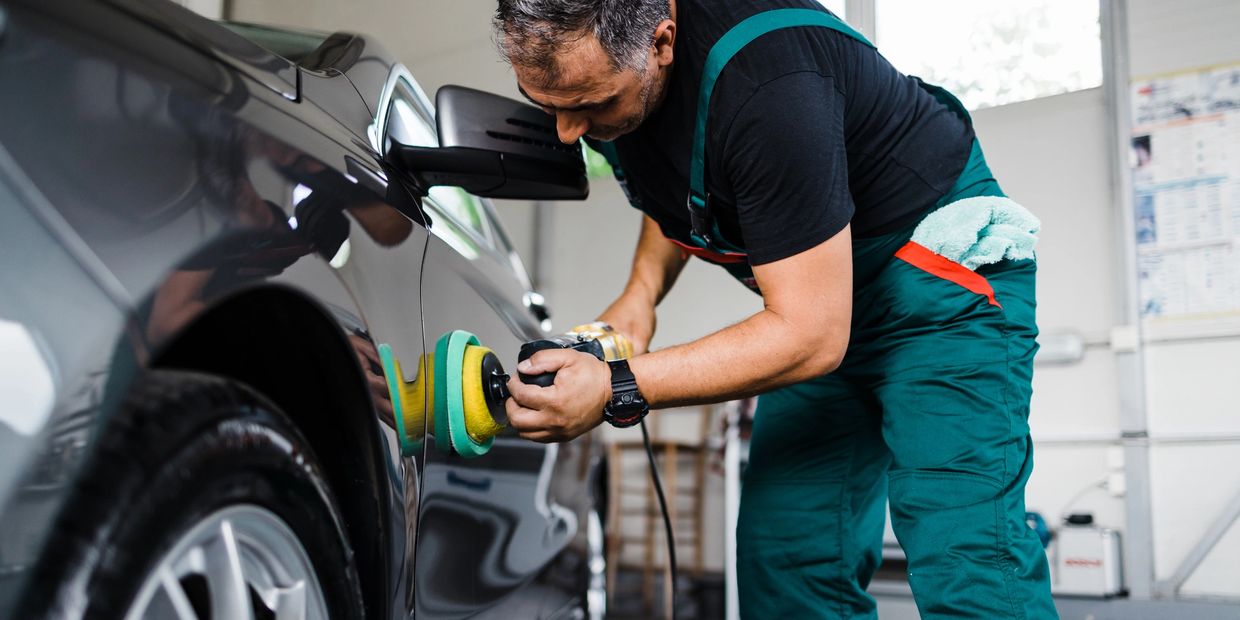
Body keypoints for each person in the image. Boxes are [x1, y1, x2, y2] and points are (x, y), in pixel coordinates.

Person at [494, 0, 1055, 617]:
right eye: (546, 104)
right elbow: (686, 180)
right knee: (789, 557)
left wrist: (616, 387)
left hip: (936, 278)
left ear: (661, 43)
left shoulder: (770, 82)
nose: (567, 132)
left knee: (967, 558)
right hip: (817, 299)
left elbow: (810, 334)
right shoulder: (620, 86)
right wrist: (641, 293)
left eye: (591, 105)